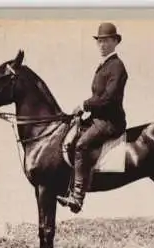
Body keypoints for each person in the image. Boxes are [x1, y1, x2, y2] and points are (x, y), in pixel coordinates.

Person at [57, 22, 128, 213]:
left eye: (106, 41)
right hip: (98, 118)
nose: (102, 45)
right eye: (100, 41)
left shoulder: (117, 67)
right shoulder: (103, 66)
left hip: (110, 121)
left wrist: (84, 105)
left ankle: (77, 197)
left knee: (82, 145)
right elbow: (99, 97)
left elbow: (108, 98)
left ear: (115, 41)